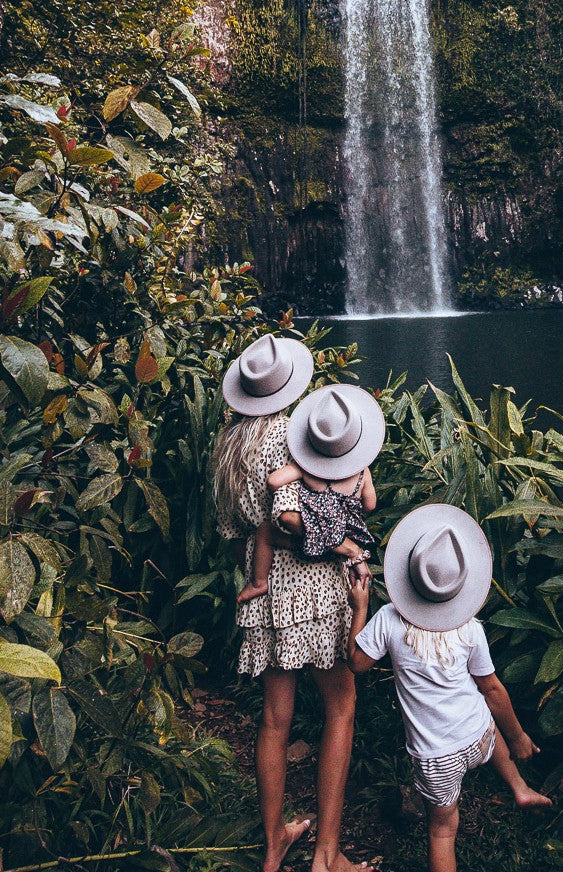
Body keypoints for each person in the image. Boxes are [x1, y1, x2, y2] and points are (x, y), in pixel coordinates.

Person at [213, 333, 373, 872]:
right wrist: (347, 545)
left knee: (274, 721)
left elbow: (238, 527)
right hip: (314, 589)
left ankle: (274, 842)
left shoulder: (227, 443)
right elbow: (289, 525)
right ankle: (327, 856)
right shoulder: (289, 434)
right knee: (341, 706)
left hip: (262, 591)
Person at [343, 503, 551, 872]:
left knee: (442, 828)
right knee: (487, 722)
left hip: (434, 757)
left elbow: (356, 664)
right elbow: (492, 689)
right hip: (477, 736)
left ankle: (512, 791)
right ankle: (518, 786)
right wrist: (517, 736)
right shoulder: (470, 628)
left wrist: (358, 606)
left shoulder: (390, 619)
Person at [237, 386, 381, 603]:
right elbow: (370, 505)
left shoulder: (306, 468)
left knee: (265, 531)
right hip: (340, 543)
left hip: (309, 541)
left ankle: (259, 583)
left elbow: (273, 481)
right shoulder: (362, 471)